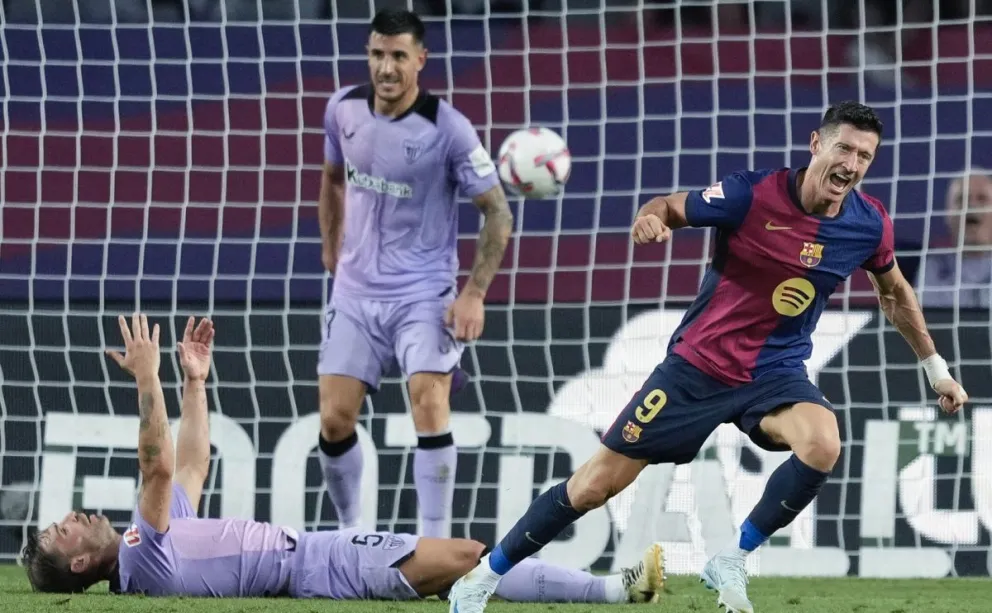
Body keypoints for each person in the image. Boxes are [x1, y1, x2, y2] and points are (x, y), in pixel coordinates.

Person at [448, 101, 971, 613]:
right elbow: (668, 206)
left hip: (774, 373)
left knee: (823, 444)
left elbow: (895, 293)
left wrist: (936, 370)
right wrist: (650, 220)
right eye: (844, 149)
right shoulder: (750, 193)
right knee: (593, 486)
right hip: (696, 370)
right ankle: (481, 578)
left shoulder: (866, 223)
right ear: (816, 144)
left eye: (864, 157)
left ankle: (732, 557)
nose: (851, 165)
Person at [20, 313, 667, 604]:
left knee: (467, 562)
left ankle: (614, 589)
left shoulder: (148, 550)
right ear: (80, 561)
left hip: (315, 556)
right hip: (316, 563)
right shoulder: (138, 553)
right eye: (62, 530)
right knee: (470, 558)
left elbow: (189, 468)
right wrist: (146, 378)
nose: (70, 514)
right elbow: (159, 466)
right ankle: (616, 591)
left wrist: (194, 382)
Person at [314, 8, 512, 538]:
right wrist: (331, 245)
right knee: (334, 421)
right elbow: (332, 178)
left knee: (429, 400)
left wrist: (473, 294)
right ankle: (351, 535)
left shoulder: (448, 129)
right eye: (378, 54)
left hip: (423, 292)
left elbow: (497, 210)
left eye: (399, 56)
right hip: (354, 292)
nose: (386, 67)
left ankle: (435, 542)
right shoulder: (342, 109)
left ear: (420, 60)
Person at [918, 170, 992, 308]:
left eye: (982, 198)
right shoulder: (933, 269)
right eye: (961, 199)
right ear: (948, 214)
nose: (971, 206)